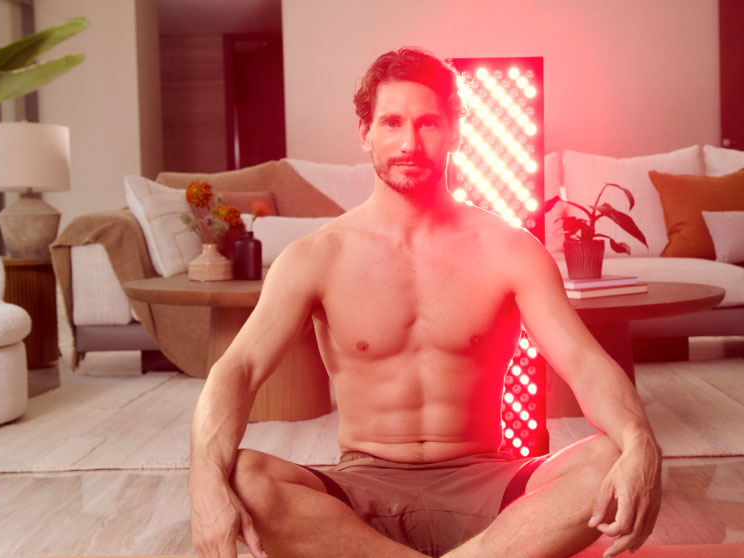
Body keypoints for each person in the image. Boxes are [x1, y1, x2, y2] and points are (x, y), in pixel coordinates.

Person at [188, 47, 662, 558]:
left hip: (492, 487)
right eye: (391, 122)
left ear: (455, 131)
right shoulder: (317, 256)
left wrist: (640, 443)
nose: (410, 143)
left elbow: (586, 365)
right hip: (358, 496)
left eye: (429, 124)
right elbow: (236, 369)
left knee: (612, 455)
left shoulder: (509, 249)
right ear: (365, 132)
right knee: (241, 475)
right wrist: (202, 483)